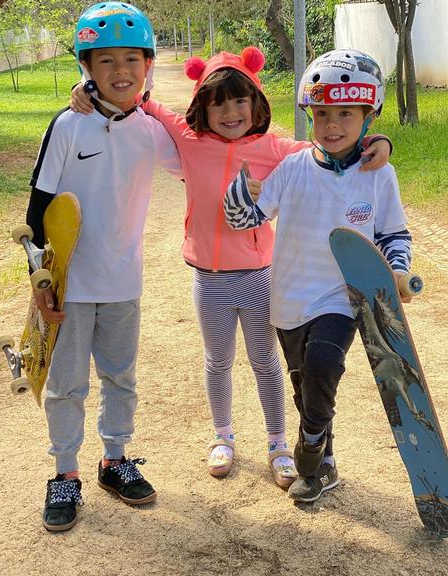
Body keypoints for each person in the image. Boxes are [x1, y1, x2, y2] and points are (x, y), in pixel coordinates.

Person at [70, 47, 392, 490]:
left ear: (256, 104)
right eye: (217, 102)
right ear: (202, 107)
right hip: (210, 279)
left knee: (266, 364)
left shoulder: (275, 149)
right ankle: (223, 436)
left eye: (240, 100)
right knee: (217, 362)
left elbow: (332, 149)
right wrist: (86, 88)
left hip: (260, 277)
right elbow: (143, 102)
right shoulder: (188, 140)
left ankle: (279, 443)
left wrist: (379, 143)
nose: (230, 111)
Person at [224, 49, 412, 503]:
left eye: (346, 113)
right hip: (288, 299)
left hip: (341, 298)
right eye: (322, 112)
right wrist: (238, 193)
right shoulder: (292, 169)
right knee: (306, 383)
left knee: (326, 365)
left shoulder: (378, 176)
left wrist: (399, 272)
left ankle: (308, 448)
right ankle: (325, 459)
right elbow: (246, 220)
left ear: (369, 115)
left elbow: (392, 233)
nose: (332, 124)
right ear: (309, 113)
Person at [27, 2, 182, 532]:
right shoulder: (69, 125)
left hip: (123, 281)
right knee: (66, 384)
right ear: (86, 68)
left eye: (132, 60)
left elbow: (206, 160)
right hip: (70, 285)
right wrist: (40, 280)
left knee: (121, 378)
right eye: (106, 60)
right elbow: (37, 206)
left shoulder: (152, 131)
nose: (121, 71)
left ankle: (114, 461)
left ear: (148, 65)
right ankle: (64, 473)